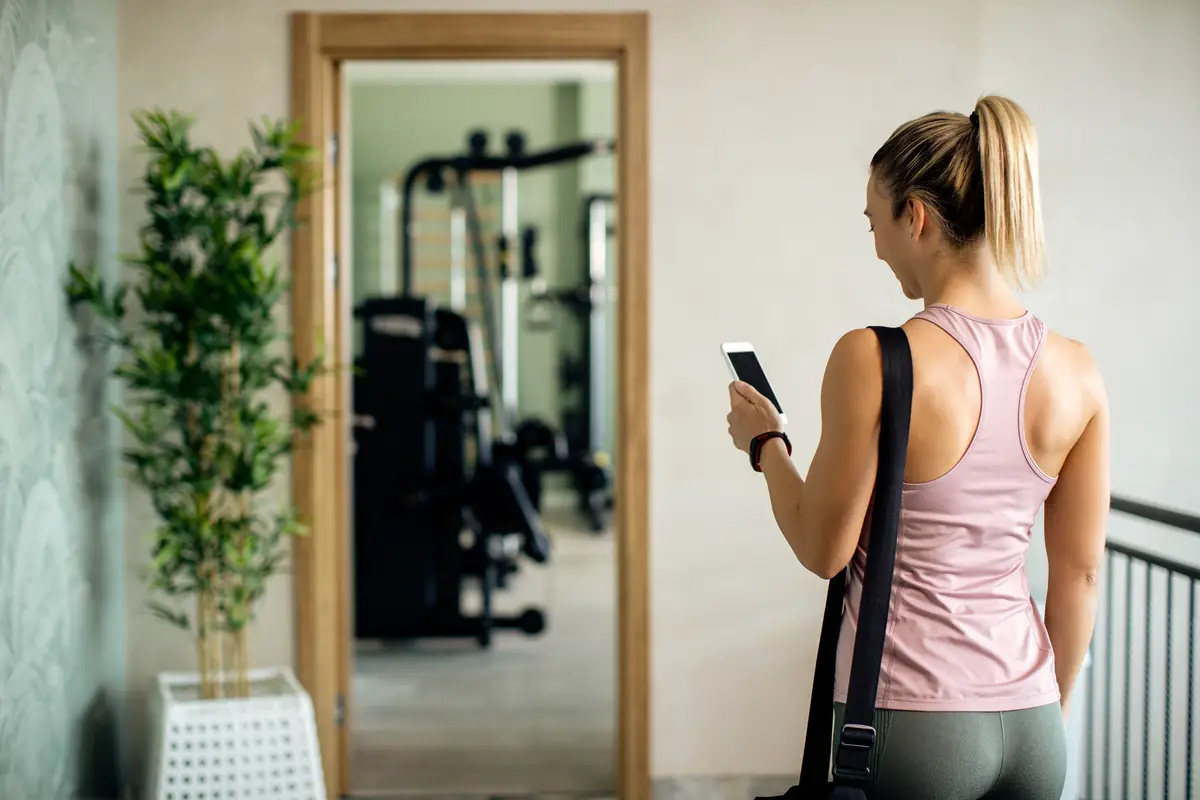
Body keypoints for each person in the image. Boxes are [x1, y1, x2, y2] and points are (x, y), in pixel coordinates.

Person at [725, 95, 1109, 799]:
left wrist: (766, 446)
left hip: (916, 720)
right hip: (1032, 723)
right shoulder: (1076, 369)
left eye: (875, 221)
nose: (874, 243)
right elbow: (1079, 575)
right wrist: (1049, 709)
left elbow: (822, 548)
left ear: (917, 217)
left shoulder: (874, 357)